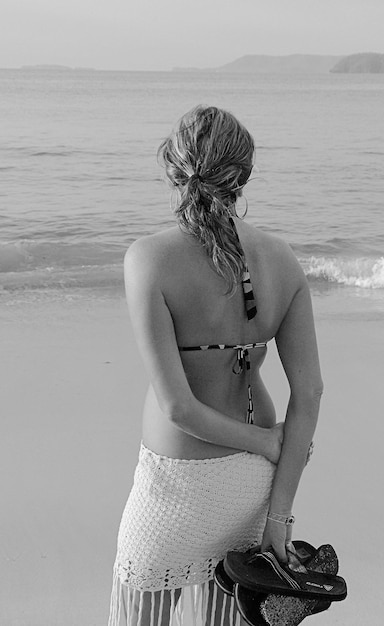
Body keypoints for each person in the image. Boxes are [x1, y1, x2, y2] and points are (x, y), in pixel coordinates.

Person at [108, 105, 323, 626]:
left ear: (174, 167)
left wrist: (267, 443)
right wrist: (278, 514)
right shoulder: (283, 259)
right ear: (242, 174)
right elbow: (309, 393)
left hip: (175, 488)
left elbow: (179, 408)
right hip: (253, 488)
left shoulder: (150, 259)